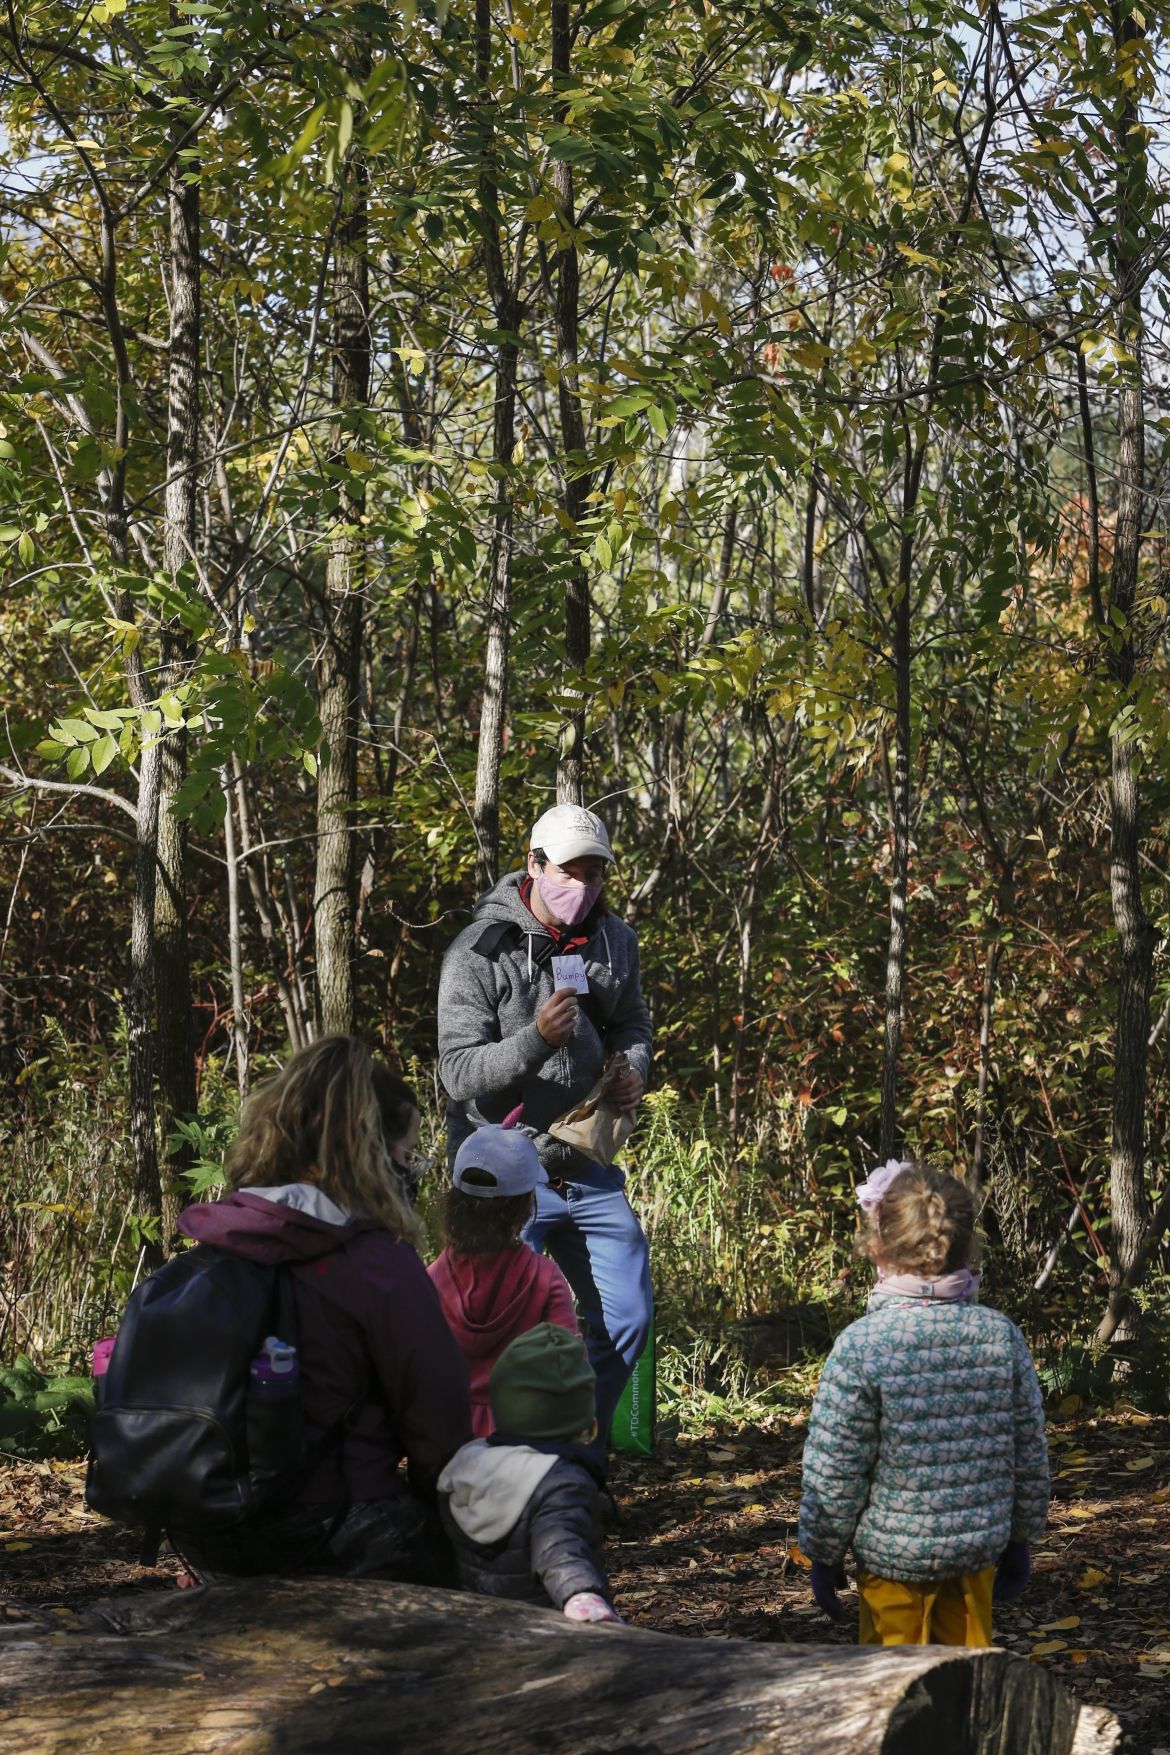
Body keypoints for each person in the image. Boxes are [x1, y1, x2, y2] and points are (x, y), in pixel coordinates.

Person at [175, 1036, 471, 1581]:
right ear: (370, 1153)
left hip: (206, 1526)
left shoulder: (223, 1239)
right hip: (340, 1527)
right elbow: (442, 1428)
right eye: (408, 1155)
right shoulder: (377, 1263)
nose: (413, 1173)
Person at [437, 803, 653, 1445]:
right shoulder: (478, 951)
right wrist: (534, 1039)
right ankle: (507, 1466)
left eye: (596, 874)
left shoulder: (614, 938)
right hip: (505, 1182)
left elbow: (632, 1023)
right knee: (507, 1332)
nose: (583, 888)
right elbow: (457, 1073)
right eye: (570, 871)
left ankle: (575, 1452)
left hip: (585, 1163)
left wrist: (631, 1067)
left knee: (627, 1318)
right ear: (533, 865)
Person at [798, 1160, 1050, 1647]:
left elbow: (837, 1467)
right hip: (976, 1557)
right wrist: (1021, 1536)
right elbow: (1028, 1449)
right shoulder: (1000, 1337)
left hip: (892, 1565)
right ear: (967, 1246)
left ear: (878, 1246)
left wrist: (823, 1553)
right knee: (965, 1684)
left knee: (896, 1693)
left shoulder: (862, 1344)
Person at [438, 1322, 620, 1623]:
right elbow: (559, 1546)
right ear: (589, 1425)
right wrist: (581, 1596)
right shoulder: (562, 1481)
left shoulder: (465, 1464)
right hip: (551, 1631)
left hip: (476, 1625)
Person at [429, 1125, 579, 1438]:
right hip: (524, 1441)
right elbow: (568, 1367)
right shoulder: (544, 1277)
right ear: (525, 1205)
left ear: (456, 1200)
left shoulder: (431, 1278)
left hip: (444, 1438)